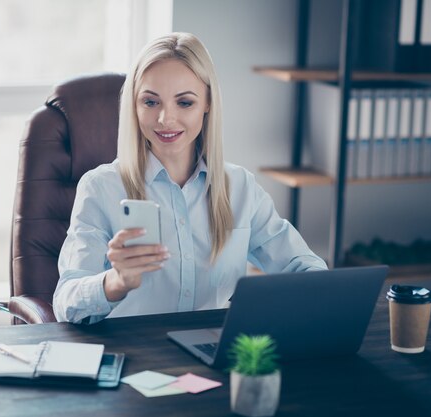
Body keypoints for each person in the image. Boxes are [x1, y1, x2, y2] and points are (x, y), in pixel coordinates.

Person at [53, 32, 327, 324]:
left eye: (184, 103)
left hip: (212, 354)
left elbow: (300, 265)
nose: (165, 119)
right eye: (150, 102)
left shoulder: (239, 187)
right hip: (134, 354)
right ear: (134, 105)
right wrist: (115, 282)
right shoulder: (101, 187)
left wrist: (321, 287)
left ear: (208, 102)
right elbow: (66, 303)